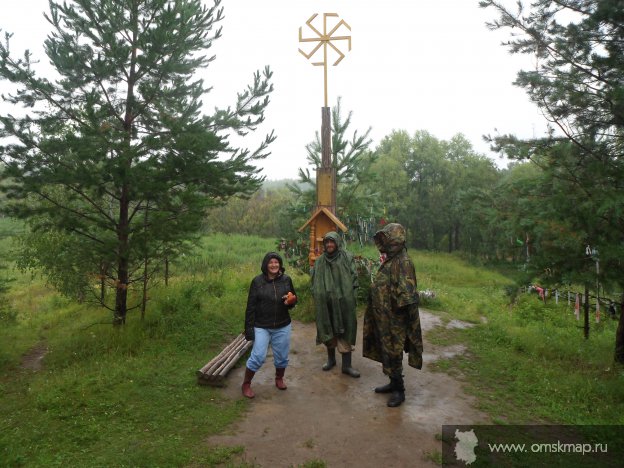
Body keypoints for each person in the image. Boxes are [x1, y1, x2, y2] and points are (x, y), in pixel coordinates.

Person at [363, 223, 423, 407]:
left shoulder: (403, 262)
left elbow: (407, 296)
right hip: (384, 318)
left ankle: (399, 390)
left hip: (395, 320)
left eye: (388, 240)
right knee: (387, 351)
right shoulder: (392, 259)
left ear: (396, 241)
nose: (385, 244)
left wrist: (399, 320)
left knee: (394, 352)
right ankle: (392, 383)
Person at [242, 252, 297, 399]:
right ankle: (246, 384)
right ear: (266, 265)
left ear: (280, 264)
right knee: (258, 356)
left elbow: (292, 299)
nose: (274, 265)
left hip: (282, 324)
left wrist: (291, 302)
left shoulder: (286, 280)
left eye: (276, 262)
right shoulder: (257, 282)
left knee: (282, 356)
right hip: (262, 326)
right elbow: (251, 307)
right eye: (271, 262)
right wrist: (249, 329)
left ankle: (279, 379)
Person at [311, 231, 360, 378]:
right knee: (328, 328)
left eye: (332, 242)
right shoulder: (319, 262)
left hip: (344, 304)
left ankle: (347, 366)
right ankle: (331, 360)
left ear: (337, 243)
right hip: (326, 304)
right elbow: (313, 282)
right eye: (327, 242)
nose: (329, 245)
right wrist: (318, 297)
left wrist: (351, 298)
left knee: (345, 330)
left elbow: (354, 279)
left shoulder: (347, 258)